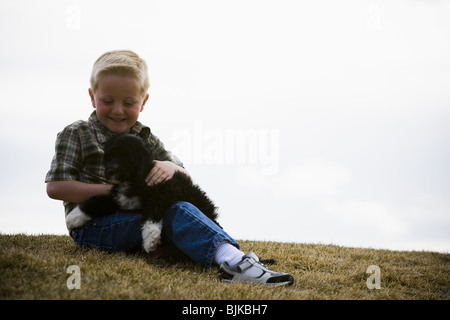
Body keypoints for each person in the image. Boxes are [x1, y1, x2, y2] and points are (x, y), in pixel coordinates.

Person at [45, 50, 294, 287]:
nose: (118, 110)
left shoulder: (145, 138)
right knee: (177, 212)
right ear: (92, 96)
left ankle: (220, 254)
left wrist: (168, 167)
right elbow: (56, 188)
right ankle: (236, 262)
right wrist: (114, 192)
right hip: (94, 227)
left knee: (179, 207)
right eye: (107, 101)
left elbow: (185, 176)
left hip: (138, 221)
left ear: (143, 102)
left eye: (129, 102)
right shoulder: (77, 133)